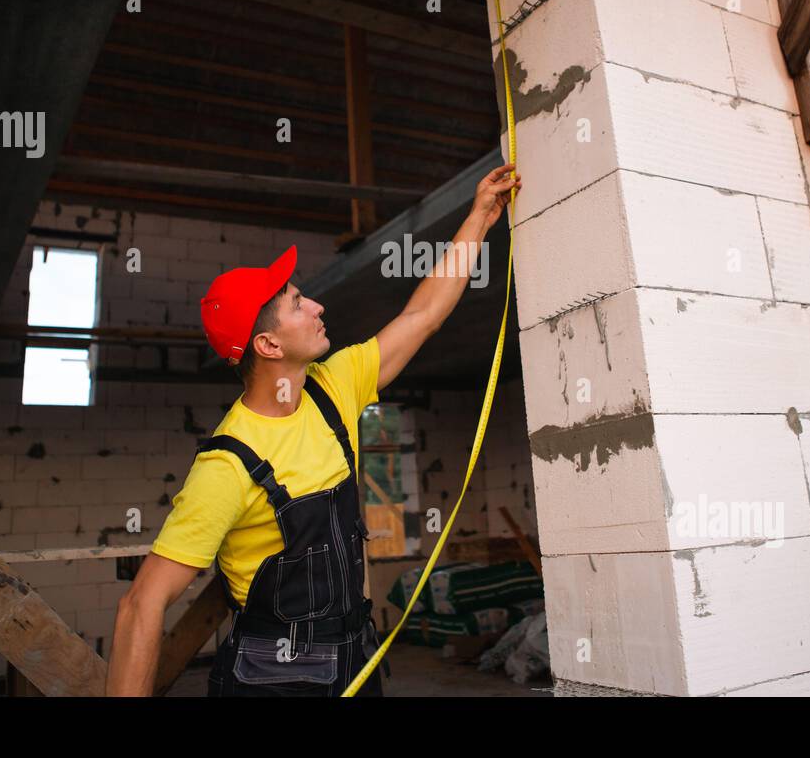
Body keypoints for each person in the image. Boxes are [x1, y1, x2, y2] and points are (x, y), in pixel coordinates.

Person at [106, 163, 520, 696]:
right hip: (273, 682)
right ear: (269, 346)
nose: (319, 305)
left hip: (353, 663)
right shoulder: (228, 464)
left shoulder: (332, 387)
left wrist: (481, 217)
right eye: (298, 304)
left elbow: (422, 315)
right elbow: (140, 605)